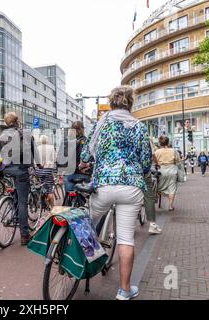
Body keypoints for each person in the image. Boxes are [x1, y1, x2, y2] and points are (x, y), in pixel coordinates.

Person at [81, 86, 152, 300]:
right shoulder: (139, 126)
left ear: (111, 102)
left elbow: (85, 153)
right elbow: (146, 161)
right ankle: (124, 290)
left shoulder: (100, 124)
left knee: (85, 226)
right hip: (131, 187)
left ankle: (76, 261)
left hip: (103, 184)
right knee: (125, 239)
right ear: (131, 103)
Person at [0, 112, 41, 246]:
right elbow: (34, 151)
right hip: (21, 169)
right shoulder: (26, 133)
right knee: (23, 202)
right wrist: (38, 164)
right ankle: (24, 235)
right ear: (18, 121)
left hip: (6, 169)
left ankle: (13, 209)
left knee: (17, 194)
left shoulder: (3, 134)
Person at [62, 121, 91, 193]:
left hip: (68, 174)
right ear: (82, 129)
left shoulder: (66, 141)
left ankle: (69, 202)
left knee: (69, 197)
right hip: (82, 174)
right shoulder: (85, 141)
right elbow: (87, 157)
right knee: (85, 198)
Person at [155, 136, 180, 211]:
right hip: (172, 170)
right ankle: (170, 206)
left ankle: (158, 195)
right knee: (172, 189)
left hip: (161, 170)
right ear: (168, 142)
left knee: (158, 186)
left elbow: (153, 160)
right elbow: (178, 161)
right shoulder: (173, 151)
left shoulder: (157, 152)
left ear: (160, 143)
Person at [145, 138, 162, 235]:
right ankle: (152, 224)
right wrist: (157, 163)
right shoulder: (146, 138)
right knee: (149, 196)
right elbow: (152, 154)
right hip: (142, 170)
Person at [35, 135, 56, 209]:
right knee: (50, 190)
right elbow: (54, 159)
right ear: (47, 140)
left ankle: (42, 203)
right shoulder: (51, 147)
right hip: (47, 169)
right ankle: (52, 208)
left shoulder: (37, 148)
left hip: (38, 170)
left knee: (41, 186)